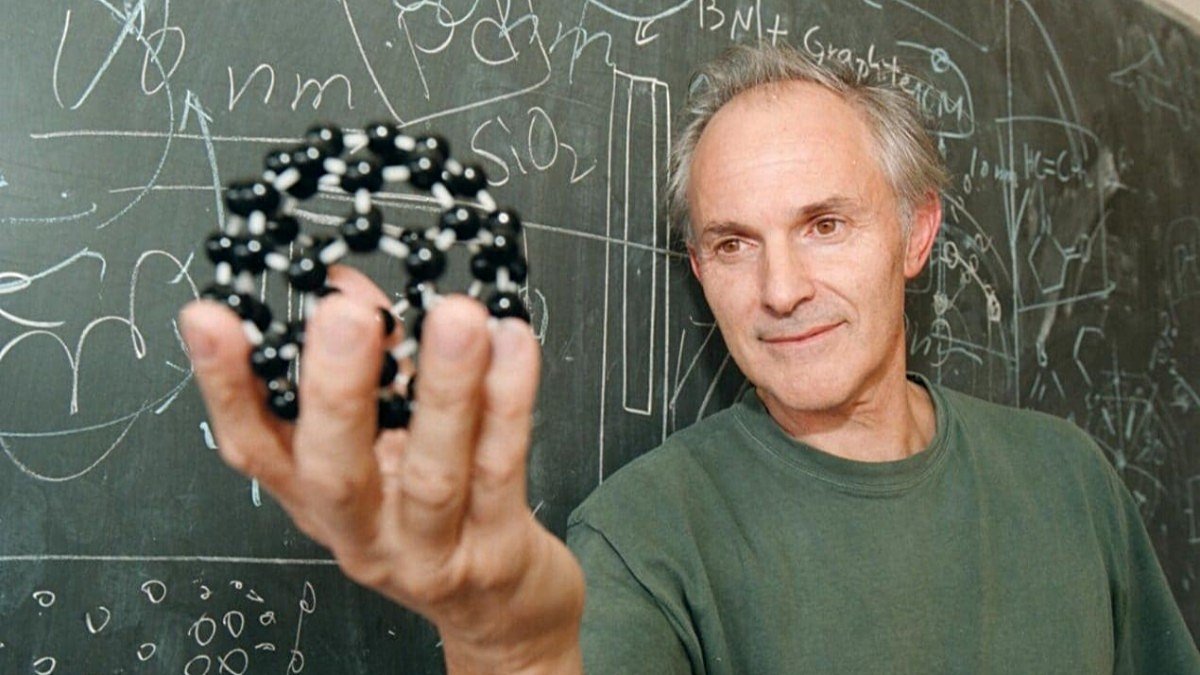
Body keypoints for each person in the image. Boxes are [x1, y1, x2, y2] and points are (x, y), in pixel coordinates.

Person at [179, 43, 1200, 673]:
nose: (781, 288)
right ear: (700, 269)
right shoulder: (644, 536)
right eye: (733, 243)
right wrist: (510, 652)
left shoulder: (1069, 480)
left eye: (826, 225)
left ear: (915, 232)